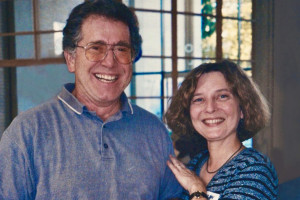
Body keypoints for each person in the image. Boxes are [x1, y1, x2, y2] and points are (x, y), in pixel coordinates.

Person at [0, 0, 181, 199]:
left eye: (121, 49)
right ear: (70, 59)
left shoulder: (155, 132)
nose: (110, 62)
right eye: (96, 48)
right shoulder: (27, 133)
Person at [164, 60, 278, 200]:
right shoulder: (196, 163)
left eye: (222, 96)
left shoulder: (255, 168)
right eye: (199, 99)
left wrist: (196, 189)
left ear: (242, 108)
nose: (210, 108)